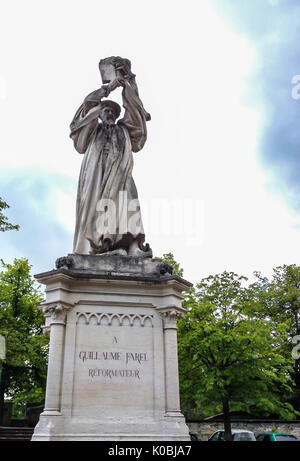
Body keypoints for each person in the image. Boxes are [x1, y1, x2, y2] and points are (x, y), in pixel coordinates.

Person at [70, 59, 151, 257]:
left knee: (128, 202)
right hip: (96, 175)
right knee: (94, 207)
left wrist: (128, 85)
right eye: (106, 110)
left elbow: (137, 116)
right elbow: (84, 112)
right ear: (98, 113)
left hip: (120, 174)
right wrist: (107, 89)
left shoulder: (124, 130)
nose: (109, 114)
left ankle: (131, 246)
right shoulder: (91, 132)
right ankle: (94, 247)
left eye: (113, 112)